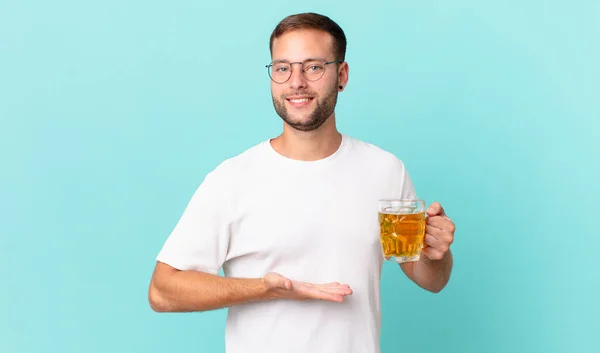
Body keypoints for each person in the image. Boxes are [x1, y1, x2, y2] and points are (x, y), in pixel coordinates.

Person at [148, 12, 456, 353]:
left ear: (341, 75)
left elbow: (430, 278)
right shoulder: (232, 179)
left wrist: (435, 254)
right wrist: (265, 289)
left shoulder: (384, 170)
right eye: (282, 68)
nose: (296, 82)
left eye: (313, 67)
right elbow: (163, 291)